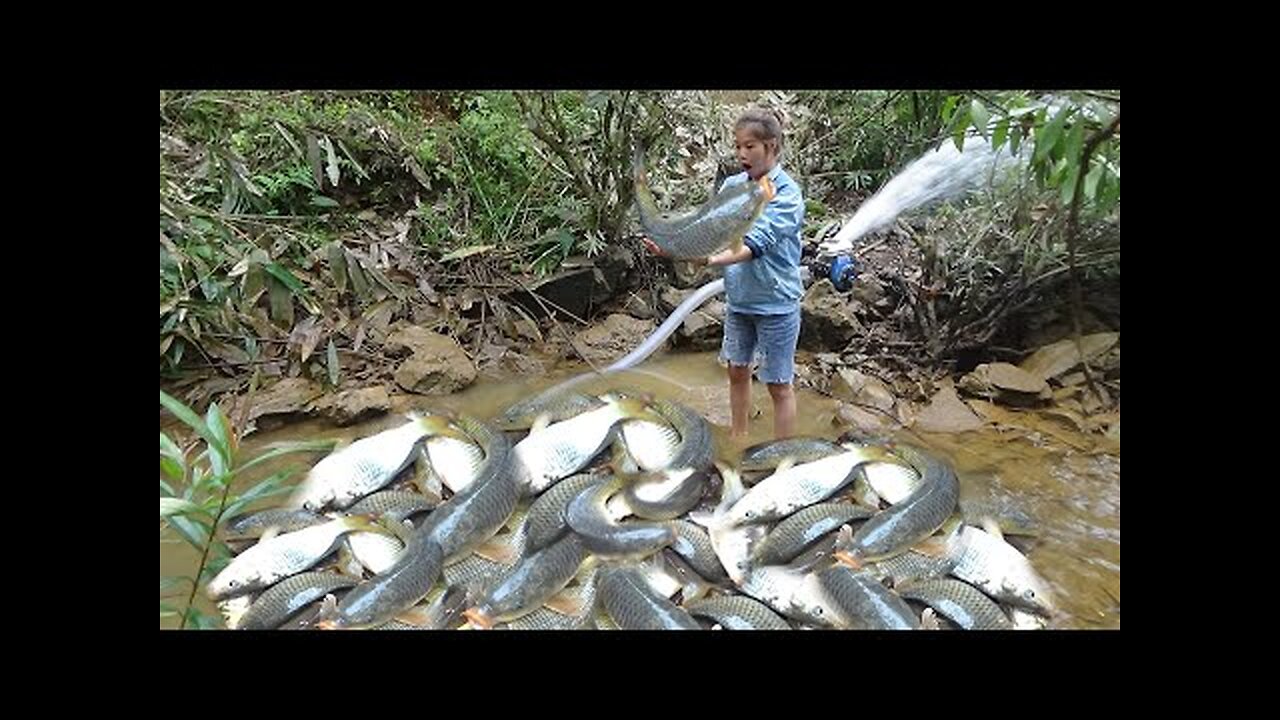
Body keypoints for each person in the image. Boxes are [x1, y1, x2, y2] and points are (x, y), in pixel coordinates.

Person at [643, 107, 805, 441]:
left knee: (778, 384)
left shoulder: (787, 195)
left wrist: (706, 261)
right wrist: (673, 247)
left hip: (776, 303)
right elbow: (707, 226)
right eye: (738, 147)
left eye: (751, 147)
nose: (742, 154)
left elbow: (755, 244)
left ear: (772, 146)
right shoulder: (732, 186)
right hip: (740, 299)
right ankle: (738, 438)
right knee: (736, 370)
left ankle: (783, 454)